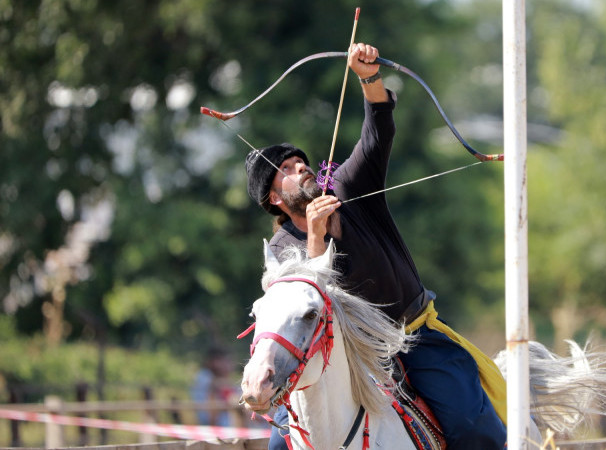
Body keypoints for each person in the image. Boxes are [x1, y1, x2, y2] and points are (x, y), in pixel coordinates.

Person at [245, 43, 508, 449]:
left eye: (301, 162)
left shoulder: (349, 188)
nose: (301, 167)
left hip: (413, 334)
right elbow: (310, 303)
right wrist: (316, 237)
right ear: (274, 199)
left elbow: (377, 133)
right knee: (281, 445)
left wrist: (368, 76)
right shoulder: (282, 250)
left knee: (477, 430)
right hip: (340, 358)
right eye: (287, 169)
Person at [191, 346, 237, 426]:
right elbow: (214, 386)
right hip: (210, 424)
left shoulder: (213, 377)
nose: (229, 365)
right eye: (226, 361)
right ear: (215, 362)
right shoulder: (204, 376)